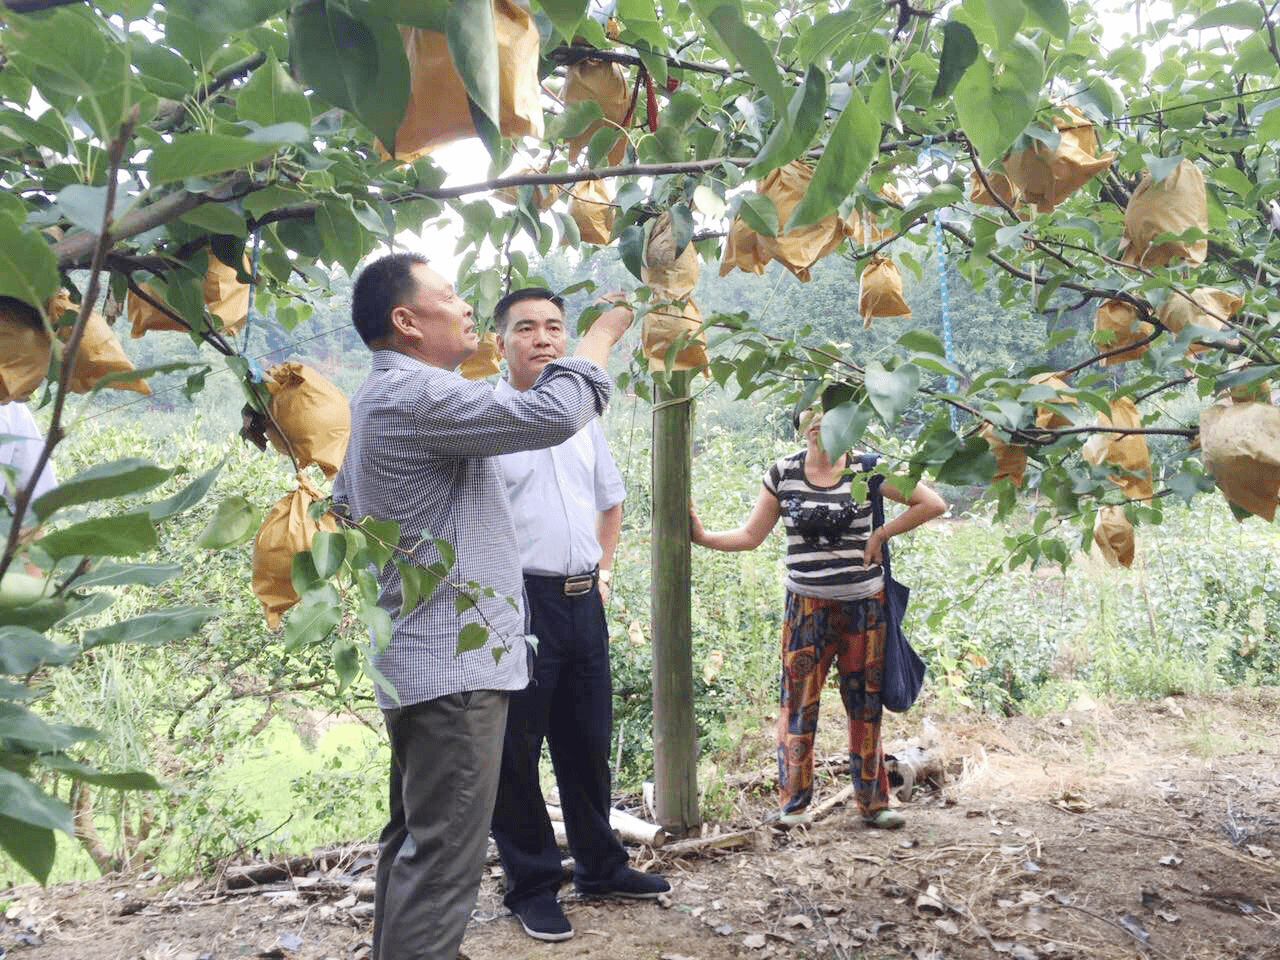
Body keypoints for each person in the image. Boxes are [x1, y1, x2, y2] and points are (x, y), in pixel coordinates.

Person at [331, 254, 632, 960]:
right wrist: (602, 336)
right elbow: (556, 412)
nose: (467, 307)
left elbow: (343, 502)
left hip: (420, 657)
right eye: (450, 297)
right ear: (406, 322)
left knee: (415, 841)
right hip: (455, 670)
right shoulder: (417, 395)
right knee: (442, 860)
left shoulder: (383, 398)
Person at [488, 288, 669, 942]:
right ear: (499, 343)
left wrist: (605, 569)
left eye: (554, 327)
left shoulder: (584, 419)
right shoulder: (490, 415)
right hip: (517, 604)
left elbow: (611, 502)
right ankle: (532, 885)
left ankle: (601, 865)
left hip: (580, 597)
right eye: (526, 327)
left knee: (587, 742)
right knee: (515, 751)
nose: (542, 338)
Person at [688, 398, 946, 829]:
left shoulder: (867, 467)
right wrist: (701, 536)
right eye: (808, 415)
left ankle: (874, 804)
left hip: (865, 607)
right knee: (798, 705)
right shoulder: (783, 473)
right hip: (805, 609)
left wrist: (881, 533)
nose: (817, 423)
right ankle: (794, 805)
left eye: (827, 415)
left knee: (864, 706)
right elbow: (751, 536)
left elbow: (931, 503)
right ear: (798, 425)